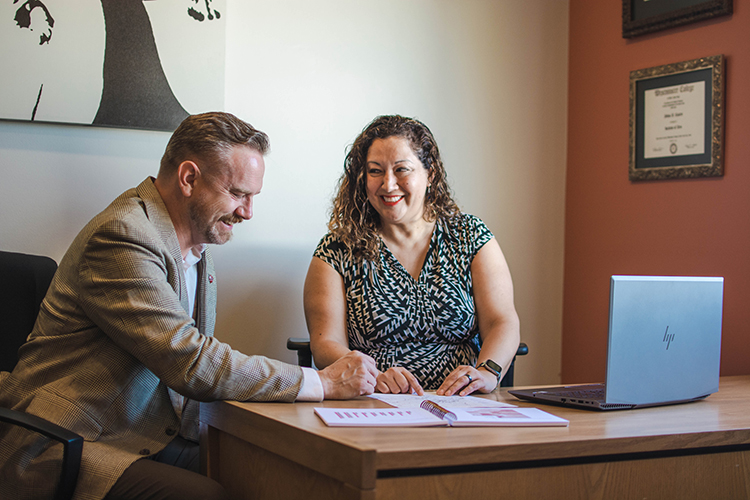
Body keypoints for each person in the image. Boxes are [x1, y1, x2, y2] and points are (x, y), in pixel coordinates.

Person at [0, 112, 378, 500]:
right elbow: (190, 361)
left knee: (273, 472)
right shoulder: (123, 236)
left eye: (253, 197)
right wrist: (321, 382)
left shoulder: (196, 249)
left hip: (138, 434)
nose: (247, 212)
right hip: (65, 441)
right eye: (237, 194)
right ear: (189, 178)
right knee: (206, 495)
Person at [304, 115, 520, 398]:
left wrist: (487, 372)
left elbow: (502, 321)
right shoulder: (336, 250)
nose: (388, 185)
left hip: (464, 404)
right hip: (375, 402)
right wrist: (375, 378)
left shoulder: (471, 236)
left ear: (430, 174)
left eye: (402, 169)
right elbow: (325, 344)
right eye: (375, 171)